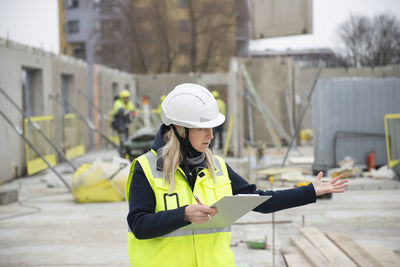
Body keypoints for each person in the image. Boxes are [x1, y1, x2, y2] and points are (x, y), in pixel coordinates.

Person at [125, 83, 348, 267]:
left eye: (211, 128)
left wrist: (310, 191)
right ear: (180, 129)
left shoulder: (217, 167)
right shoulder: (146, 169)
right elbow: (139, 225)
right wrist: (183, 215)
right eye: (203, 128)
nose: (211, 135)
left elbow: (260, 201)